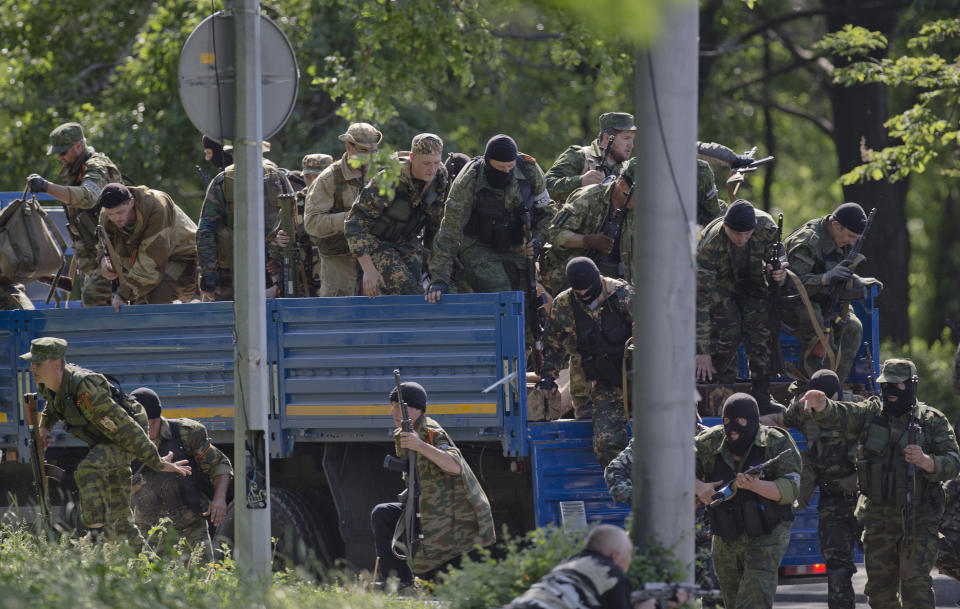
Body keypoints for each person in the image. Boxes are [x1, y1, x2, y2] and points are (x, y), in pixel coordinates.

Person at [799, 358, 960, 609]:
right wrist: (824, 406)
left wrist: (927, 462)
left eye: (898, 386)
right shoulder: (870, 413)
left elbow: (953, 460)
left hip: (918, 520)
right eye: (886, 386)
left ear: (912, 386)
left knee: (916, 587)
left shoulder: (932, 420)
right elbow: (843, 414)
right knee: (880, 594)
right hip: (878, 520)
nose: (890, 392)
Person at [21, 337, 191, 540]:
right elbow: (54, 404)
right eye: (31, 362)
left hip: (123, 437)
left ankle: (95, 537)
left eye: (38, 363)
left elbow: (127, 429)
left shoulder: (87, 390)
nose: (32, 368)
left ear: (57, 364)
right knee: (121, 522)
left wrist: (155, 460)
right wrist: (44, 428)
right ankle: (144, 568)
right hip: (104, 439)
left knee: (87, 469)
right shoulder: (48, 384)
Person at [370, 381, 495, 587]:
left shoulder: (430, 431)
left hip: (456, 514)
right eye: (392, 405)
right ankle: (399, 583)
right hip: (428, 506)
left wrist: (421, 446)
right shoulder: (403, 433)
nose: (392, 411)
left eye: (398, 405)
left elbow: (455, 465)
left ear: (416, 409)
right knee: (383, 514)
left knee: (452, 585)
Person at [758, 369, 861, 609]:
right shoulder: (804, 410)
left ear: (835, 395)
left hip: (865, 498)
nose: (815, 405)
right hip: (831, 500)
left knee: (882, 565)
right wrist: (744, 420)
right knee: (836, 570)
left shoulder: (857, 408)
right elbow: (778, 422)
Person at [695, 392, 801, 609]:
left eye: (741, 421)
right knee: (732, 603)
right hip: (725, 537)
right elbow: (674, 467)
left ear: (753, 420)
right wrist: (699, 487)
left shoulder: (776, 443)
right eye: (726, 421)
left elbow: (791, 489)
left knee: (752, 601)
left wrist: (756, 486)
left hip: (767, 535)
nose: (733, 427)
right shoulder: (709, 442)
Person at [426, 134, 552, 301]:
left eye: (510, 167)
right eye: (500, 168)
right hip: (477, 244)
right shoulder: (468, 180)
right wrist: (439, 279)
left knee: (524, 299)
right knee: (502, 293)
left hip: (516, 245)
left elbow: (548, 213)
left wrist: (537, 240)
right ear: (488, 162)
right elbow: (449, 230)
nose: (506, 171)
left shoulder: (529, 171)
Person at [539, 257, 633, 468]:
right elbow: (553, 345)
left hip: (639, 380)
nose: (584, 296)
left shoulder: (622, 296)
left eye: (588, 290)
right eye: (579, 292)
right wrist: (548, 376)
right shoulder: (564, 305)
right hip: (605, 384)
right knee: (606, 445)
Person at [695, 199, 786, 413]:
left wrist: (779, 271)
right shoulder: (709, 245)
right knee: (729, 329)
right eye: (737, 234)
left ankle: (762, 393)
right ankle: (719, 385)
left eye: (747, 234)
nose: (742, 239)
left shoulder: (767, 228)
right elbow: (701, 299)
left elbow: (781, 256)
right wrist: (703, 350)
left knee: (760, 328)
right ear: (726, 227)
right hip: (720, 284)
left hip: (753, 282)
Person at [604, 439, 721, 606]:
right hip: (667, 537)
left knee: (716, 592)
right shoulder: (657, 434)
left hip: (705, 534)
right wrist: (645, 501)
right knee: (670, 595)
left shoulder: (707, 437)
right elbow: (614, 472)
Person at [782, 202, 883, 382]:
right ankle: (810, 387)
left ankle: (834, 387)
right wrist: (826, 278)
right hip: (795, 301)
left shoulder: (842, 238)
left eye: (856, 238)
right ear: (836, 225)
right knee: (819, 332)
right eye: (851, 236)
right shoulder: (808, 241)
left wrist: (857, 281)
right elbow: (794, 285)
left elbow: (841, 269)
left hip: (825, 298)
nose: (852, 242)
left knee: (854, 328)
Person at [129, 387, 232, 561]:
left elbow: (219, 464)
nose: (145, 431)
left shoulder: (186, 433)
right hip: (148, 527)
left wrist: (219, 499)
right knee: (149, 581)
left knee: (203, 579)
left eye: (149, 424)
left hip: (190, 525)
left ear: (159, 419)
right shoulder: (124, 440)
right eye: (140, 425)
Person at [27, 122, 122, 306]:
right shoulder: (75, 171)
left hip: (114, 254)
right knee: (94, 305)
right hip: (92, 259)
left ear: (79, 146)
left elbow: (88, 197)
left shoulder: (97, 167)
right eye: (57, 153)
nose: (60, 158)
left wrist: (46, 187)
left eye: (63, 152)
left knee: (94, 300)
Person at [345, 134, 448, 297]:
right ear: (412, 158)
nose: (432, 169)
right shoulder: (387, 181)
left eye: (436, 162)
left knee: (419, 291)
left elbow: (435, 221)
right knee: (405, 288)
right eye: (426, 163)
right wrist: (368, 269)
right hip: (376, 242)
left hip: (407, 240)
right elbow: (353, 225)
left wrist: (431, 255)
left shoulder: (440, 178)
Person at [500, 525, 687, 609]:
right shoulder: (611, 573)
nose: (629, 561)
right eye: (628, 554)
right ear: (615, 556)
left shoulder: (568, 564)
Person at [195, 152, 293, 301]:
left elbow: (293, 220)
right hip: (232, 274)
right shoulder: (224, 181)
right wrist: (209, 273)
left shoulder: (277, 178)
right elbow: (206, 229)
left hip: (272, 270)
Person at [304, 123, 382, 297]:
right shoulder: (328, 179)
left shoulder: (381, 174)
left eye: (374, 151)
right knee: (338, 317)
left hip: (377, 259)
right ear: (348, 146)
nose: (369, 158)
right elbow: (311, 223)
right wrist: (349, 219)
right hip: (339, 262)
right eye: (363, 151)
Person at [96, 183, 197, 311]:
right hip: (141, 265)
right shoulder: (106, 214)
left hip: (181, 258)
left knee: (154, 300)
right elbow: (103, 243)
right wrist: (104, 261)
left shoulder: (157, 207)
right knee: (97, 292)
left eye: (120, 212)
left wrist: (123, 294)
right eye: (111, 214)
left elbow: (150, 263)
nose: (116, 218)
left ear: (131, 202)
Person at [544, 112, 636, 205]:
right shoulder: (579, 156)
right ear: (607, 138)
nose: (631, 145)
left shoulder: (628, 170)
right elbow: (545, 187)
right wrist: (581, 181)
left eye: (632, 139)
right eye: (626, 138)